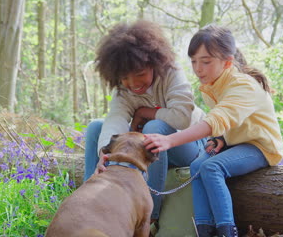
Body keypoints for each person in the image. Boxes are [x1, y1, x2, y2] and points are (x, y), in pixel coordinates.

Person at [144, 25, 283, 237]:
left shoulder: (244, 85)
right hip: (237, 144)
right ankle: (204, 229)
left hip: (261, 147)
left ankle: (227, 230)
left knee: (211, 167)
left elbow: (216, 119)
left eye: (206, 61)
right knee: (198, 165)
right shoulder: (213, 85)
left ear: (227, 62)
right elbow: (227, 122)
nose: (198, 68)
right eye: (193, 61)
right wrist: (221, 139)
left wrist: (170, 140)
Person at [84, 20, 207, 232]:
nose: (133, 83)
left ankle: (150, 218)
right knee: (96, 127)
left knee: (154, 128)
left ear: (154, 63)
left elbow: (182, 118)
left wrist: (145, 113)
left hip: (187, 145)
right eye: (125, 78)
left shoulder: (171, 74)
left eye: (140, 74)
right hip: (152, 153)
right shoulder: (124, 91)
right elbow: (115, 121)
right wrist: (106, 154)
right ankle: (89, 198)